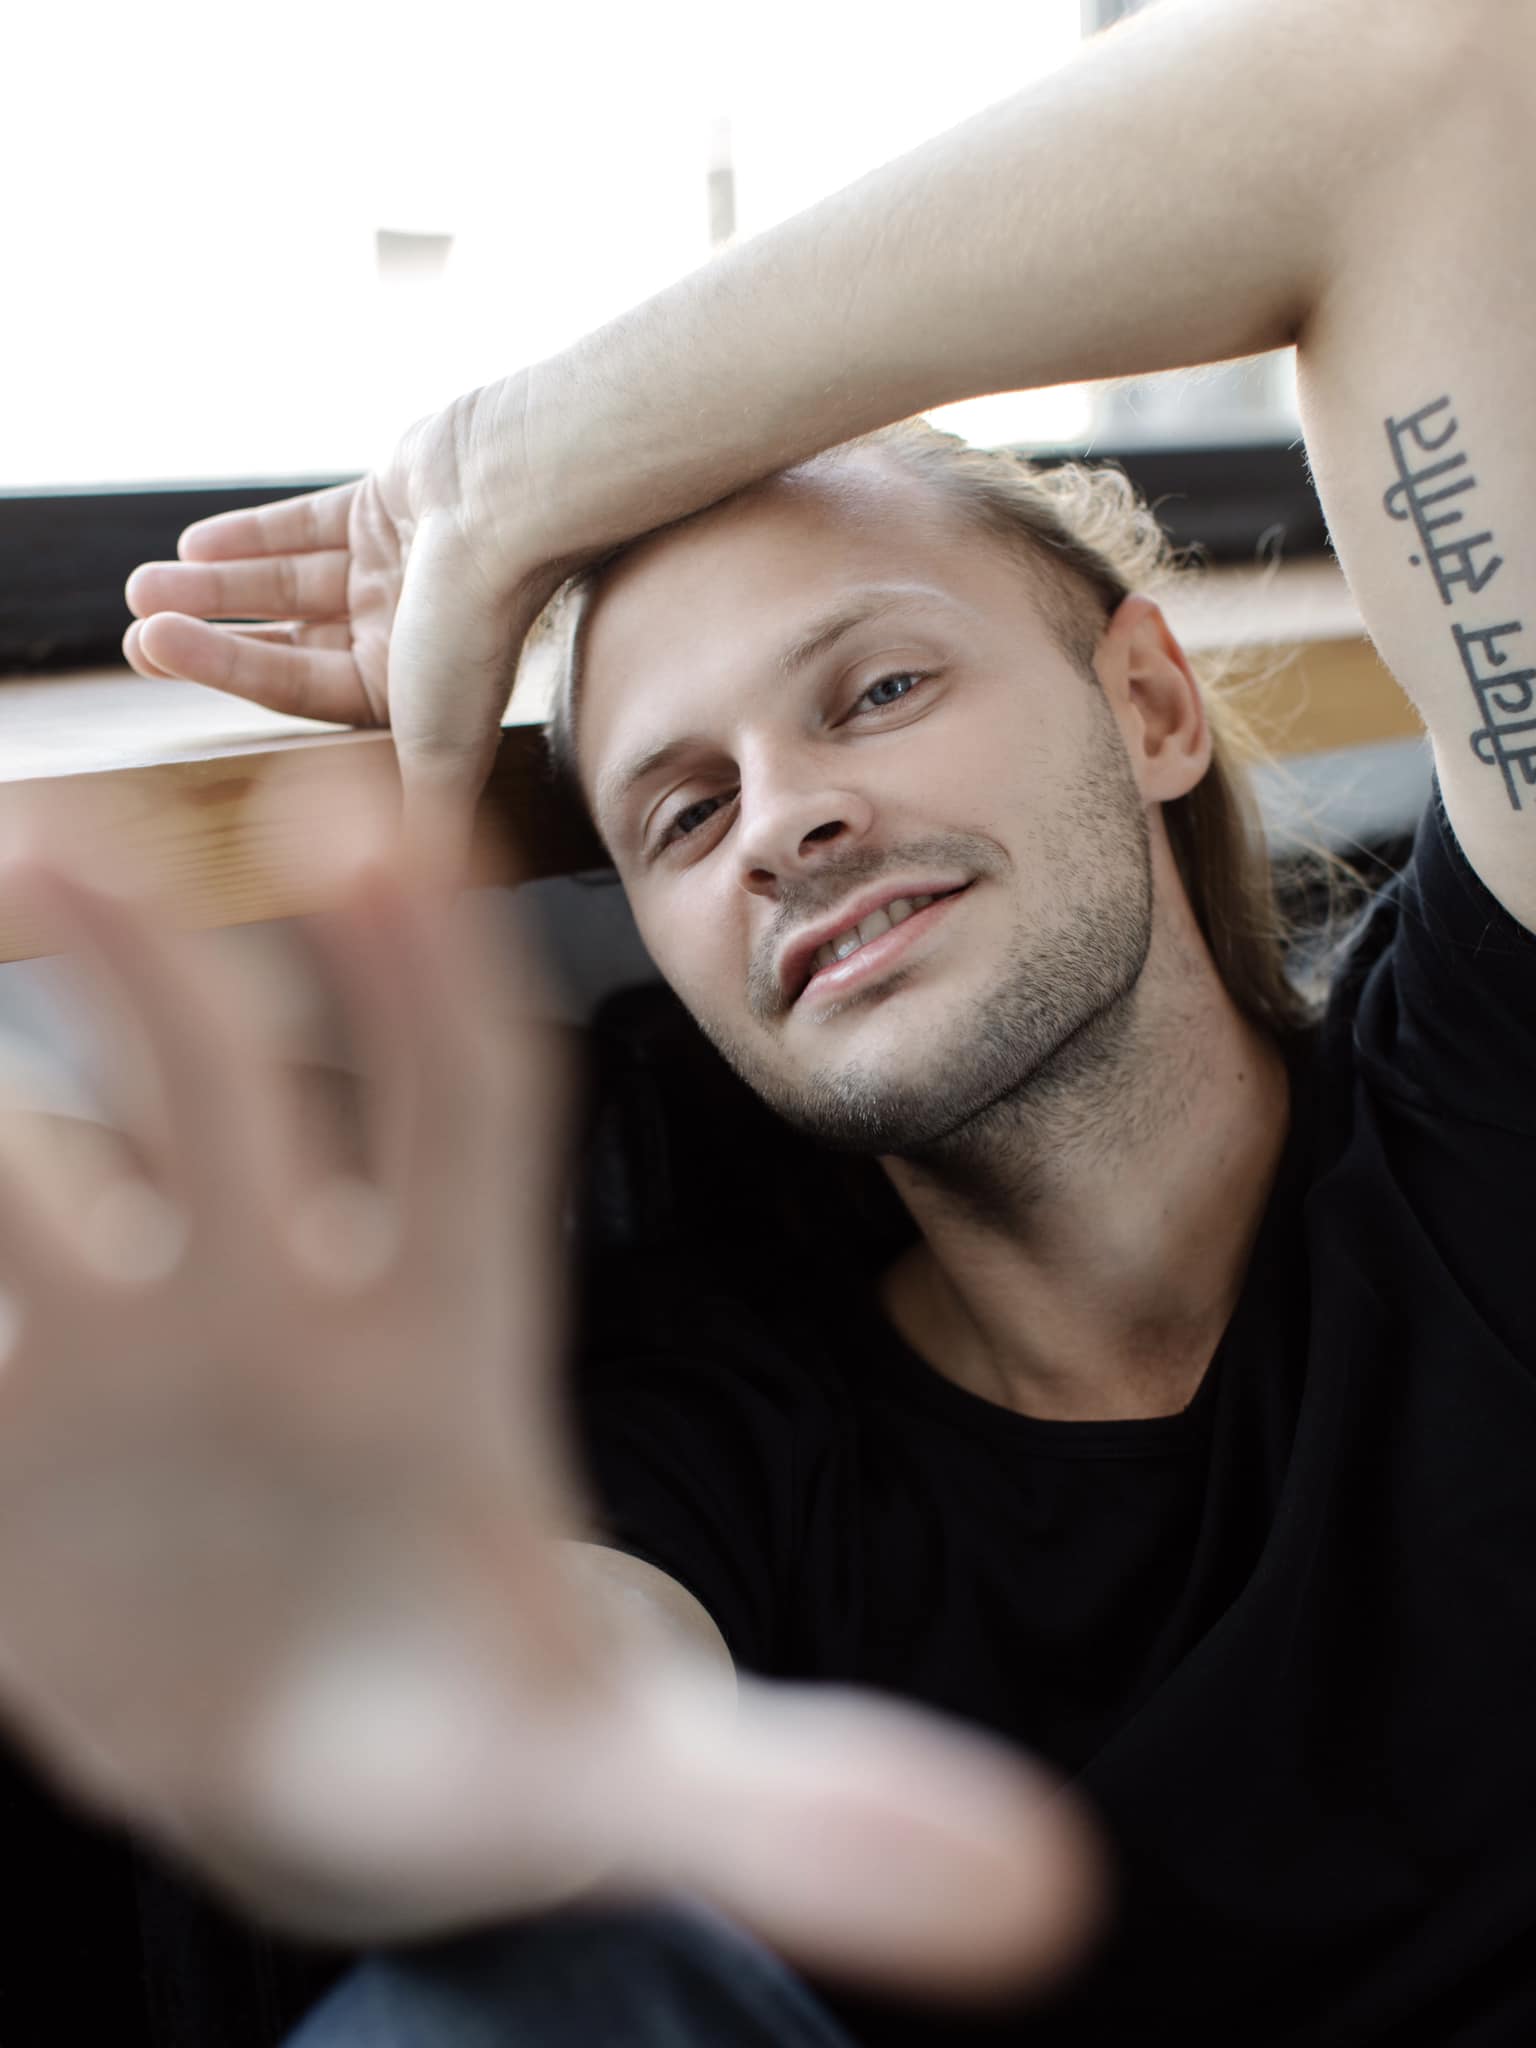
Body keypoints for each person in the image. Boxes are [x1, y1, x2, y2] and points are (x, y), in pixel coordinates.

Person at [0, 0, 1527, 2039]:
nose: (788, 820)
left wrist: (511, 465)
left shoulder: (1479, 1114)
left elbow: (1429, 84)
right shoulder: (724, 1445)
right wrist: (405, 1739)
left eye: (879, 689)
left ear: (1153, 706)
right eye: (684, 810)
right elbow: (577, 1675)